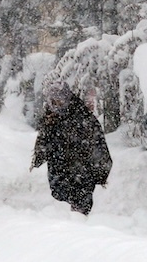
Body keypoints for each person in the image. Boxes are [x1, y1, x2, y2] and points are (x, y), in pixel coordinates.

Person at [30, 81, 112, 215]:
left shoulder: (83, 116)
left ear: (67, 97)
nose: (57, 105)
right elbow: (43, 142)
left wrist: (100, 172)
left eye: (60, 100)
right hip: (59, 172)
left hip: (81, 173)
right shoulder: (51, 118)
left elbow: (98, 145)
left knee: (79, 209)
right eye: (54, 101)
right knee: (60, 207)